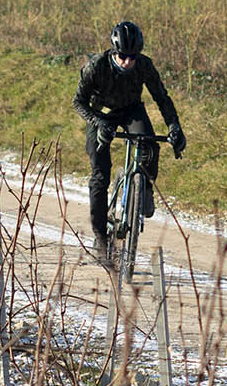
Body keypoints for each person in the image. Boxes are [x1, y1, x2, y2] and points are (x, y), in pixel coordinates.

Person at [76, 19, 186, 255]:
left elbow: (162, 98)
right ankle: (101, 238)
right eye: (123, 56)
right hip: (101, 114)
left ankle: (143, 189)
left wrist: (174, 125)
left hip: (131, 111)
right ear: (114, 52)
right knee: (99, 175)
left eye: (133, 57)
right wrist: (99, 122)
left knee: (148, 145)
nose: (128, 62)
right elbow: (79, 102)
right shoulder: (95, 67)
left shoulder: (144, 65)